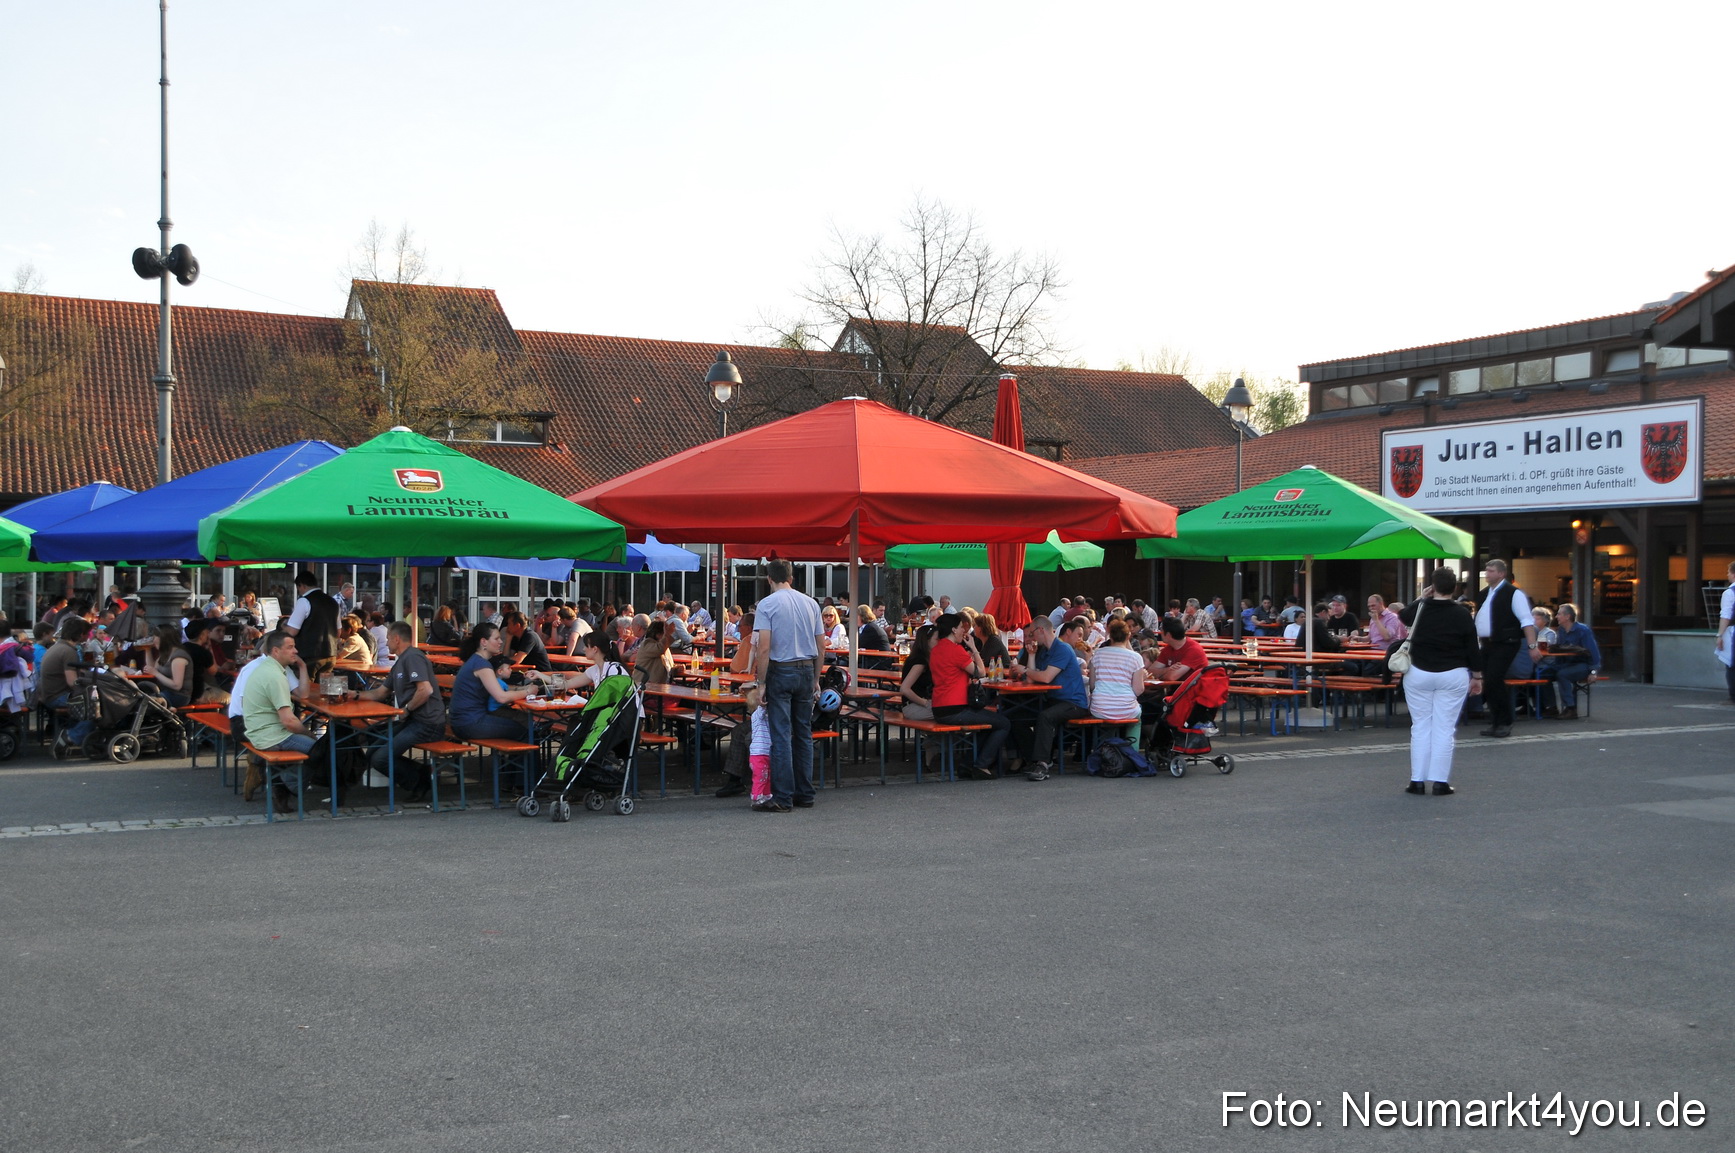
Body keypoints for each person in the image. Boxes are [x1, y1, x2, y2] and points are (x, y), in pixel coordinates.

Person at [1396, 568, 1482, 795]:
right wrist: (1477, 676)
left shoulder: (1421, 609)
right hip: (1452, 673)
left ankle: (1416, 780)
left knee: (1421, 726)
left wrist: (1422, 598)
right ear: (1454, 588)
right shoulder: (1462, 614)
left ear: (1432, 587)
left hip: (1419, 671)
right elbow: (1472, 647)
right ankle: (1440, 782)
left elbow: (1403, 615)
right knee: (1444, 728)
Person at [753, 559, 825, 812]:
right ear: (792, 578)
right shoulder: (811, 603)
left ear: (769, 579)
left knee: (781, 735)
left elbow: (764, 647)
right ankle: (805, 793)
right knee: (803, 733)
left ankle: (783, 797)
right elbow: (821, 645)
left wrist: (761, 682)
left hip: (780, 670)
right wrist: (816, 678)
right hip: (806, 669)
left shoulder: (767, 605)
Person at [358, 621, 446, 797]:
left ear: (397, 639)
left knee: (380, 758)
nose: (386, 642)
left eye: (388, 638)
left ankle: (418, 783)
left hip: (428, 723)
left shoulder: (413, 657)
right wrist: (354, 694)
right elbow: (380, 693)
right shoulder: (400, 662)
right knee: (373, 751)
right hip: (414, 720)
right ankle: (422, 771)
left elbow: (425, 689)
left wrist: (407, 709)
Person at [241, 631, 324, 810]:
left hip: (259, 730)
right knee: (321, 749)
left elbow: (301, 697)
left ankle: (285, 782)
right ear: (276, 651)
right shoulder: (275, 676)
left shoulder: (268, 668)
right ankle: (287, 783)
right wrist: (309, 734)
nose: (296, 650)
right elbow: (289, 722)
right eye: (290, 647)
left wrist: (302, 667)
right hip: (271, 736)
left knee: (319, 747)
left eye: (294, 646)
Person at [925, 612, 1009, 779]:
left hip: (940, 707)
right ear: (953, 629)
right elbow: (980, 671)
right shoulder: (956, 650)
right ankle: (981, 765)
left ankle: (967, 765)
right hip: (956, 708)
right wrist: (975, 650)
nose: (964, 631)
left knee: (988, 724)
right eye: (961, 628)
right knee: (1003, 723)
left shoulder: (936, 650)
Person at [1012, 616, 1091, 782]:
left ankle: (1042, 763)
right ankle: (1034, 757)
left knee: (1045, 717)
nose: (1031, 638)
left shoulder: (1062, 649)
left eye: (1032, 634)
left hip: (1073, 702)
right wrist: (1031, 656)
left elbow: (1046, 677)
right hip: (1053, 699)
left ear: (1041, 630)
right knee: (1017, 717)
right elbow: (1032, 680)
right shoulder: (1042, 651)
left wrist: (1025, 669)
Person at [1475, 559, 1539, 739]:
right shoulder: (1484, 594)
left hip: (1506, 642)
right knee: (1489, 682)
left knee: (1495, 679)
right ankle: (1496, 721)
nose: (1487, 573)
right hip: (1487, 643)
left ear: (1501, 574)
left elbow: (1526, 621)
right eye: (1486, 570)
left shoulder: (1514, 593)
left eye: (1491, 571)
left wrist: (1532, 646)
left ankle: (1505, 721)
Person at [448, 623, 541, 743]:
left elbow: (497, 687)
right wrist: (527, 691)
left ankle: (508, 761)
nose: (501, 642)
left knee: (518, 723)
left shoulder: (475, 660)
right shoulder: (482, 665)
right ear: (484, 642)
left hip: (461, 722)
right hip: (470, 723)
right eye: (496, 638)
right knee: (527, 730)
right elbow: (501, 697)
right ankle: (524, 762)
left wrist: (520, 690)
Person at [41, 618, 95, 759]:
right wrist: (92, 684)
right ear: (81, 634)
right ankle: (70, 736)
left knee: (90, 701)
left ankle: (71, 732)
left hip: (49, 694)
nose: (88, 636)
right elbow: (72, 682)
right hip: (57, 696)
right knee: (95, 706)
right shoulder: (68, 651)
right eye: (87, 633)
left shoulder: (57, 647)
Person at [1089, 618, 1146, 743]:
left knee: (1105, 722)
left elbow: (1092, 686)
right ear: (1128, 636)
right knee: (1136, 720)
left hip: (1100, 707)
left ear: (1110, 635)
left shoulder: (1098, 654)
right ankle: (1132, 753)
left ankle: (1105, 750)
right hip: (1126, 707)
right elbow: (1139, 689)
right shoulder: (1136, 658)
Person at [1545, 604, 1601, 720]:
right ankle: (1550, 707)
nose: (1556, 616)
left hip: (1582, 664)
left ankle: (1570, 708)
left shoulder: (1583, 630)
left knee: (1563, 675)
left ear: (1567, 616)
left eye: (1559, 614)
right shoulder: (1561, 630)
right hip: (1565, 663)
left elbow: (1593, 652)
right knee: (1542, 672)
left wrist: (1593, 671)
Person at [282, 569, 341, 679]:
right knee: (323, 691)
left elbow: (292, 631)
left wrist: (283, 627)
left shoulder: (304, 601)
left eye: (298, 588)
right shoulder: (333, 602)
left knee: (306, 691)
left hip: (308, 655)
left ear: (301, 585)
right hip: (330, 654)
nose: (299, 591)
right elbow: (338, 632)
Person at [742, 683, 777, 812]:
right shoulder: (757, 715)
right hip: (758, 753)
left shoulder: (766, 717)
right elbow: (763, 708)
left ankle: (766, 795)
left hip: (765, 752)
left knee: (767, 775)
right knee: (760, 776)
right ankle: (756, 797)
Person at [146, 624, 196, 708]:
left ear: (163, 638)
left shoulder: (178, 656)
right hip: (165, 692)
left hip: (179, 696)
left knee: (147, 703)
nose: (153, 640)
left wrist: (156, 673)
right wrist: (147, 650)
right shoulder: (165, 654)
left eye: (155, 637)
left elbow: (177, 685)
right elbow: (152, 669)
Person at [896, 624, 938, 721]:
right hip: (914, 707)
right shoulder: (920, 661)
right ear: (927, 640)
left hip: (917, 706)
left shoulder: (924, 658)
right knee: (947, 713)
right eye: (937, 639)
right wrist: (925, 703)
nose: (940, 642)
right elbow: (904, 689)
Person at [632, 619, 675, 686]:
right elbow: (659, 649)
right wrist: (667, 634)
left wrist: (677, 669)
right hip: (644, 685)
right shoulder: (647, 644)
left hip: (659, 685)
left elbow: (667, 668)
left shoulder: (664, 647)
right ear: (657, 634)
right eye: (664, 633)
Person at [856, 604, 895, 670]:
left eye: (856, 616)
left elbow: (858, 644)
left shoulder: (869, 628)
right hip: (878, 659)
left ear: (862, 616)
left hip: (879, 662)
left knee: (848, 664)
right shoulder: (869, 626)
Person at [1718, 561, 1735, 705]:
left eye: (1729, 572)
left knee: (1731, 663)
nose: (1727, 575)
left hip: (1733, 632)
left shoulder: (1730, 593)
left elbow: (1726, 615)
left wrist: (1719, 635)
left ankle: (1733, 696)